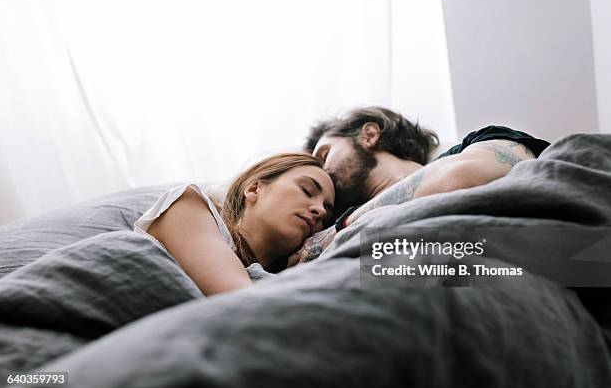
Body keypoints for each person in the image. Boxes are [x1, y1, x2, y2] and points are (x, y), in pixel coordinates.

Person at [287, 106, 550, 266]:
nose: (322, 175)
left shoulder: (477, 142)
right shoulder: (334, 228)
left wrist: (342, 227)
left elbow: (462, 179)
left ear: (369, 135)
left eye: (323, 155)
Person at [134, 153, 335, 296]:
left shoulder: (279, 277)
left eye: (327, 213)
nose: (321, 211)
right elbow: (244, 304)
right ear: (254, 188)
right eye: (307, 190)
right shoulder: (187, 205)